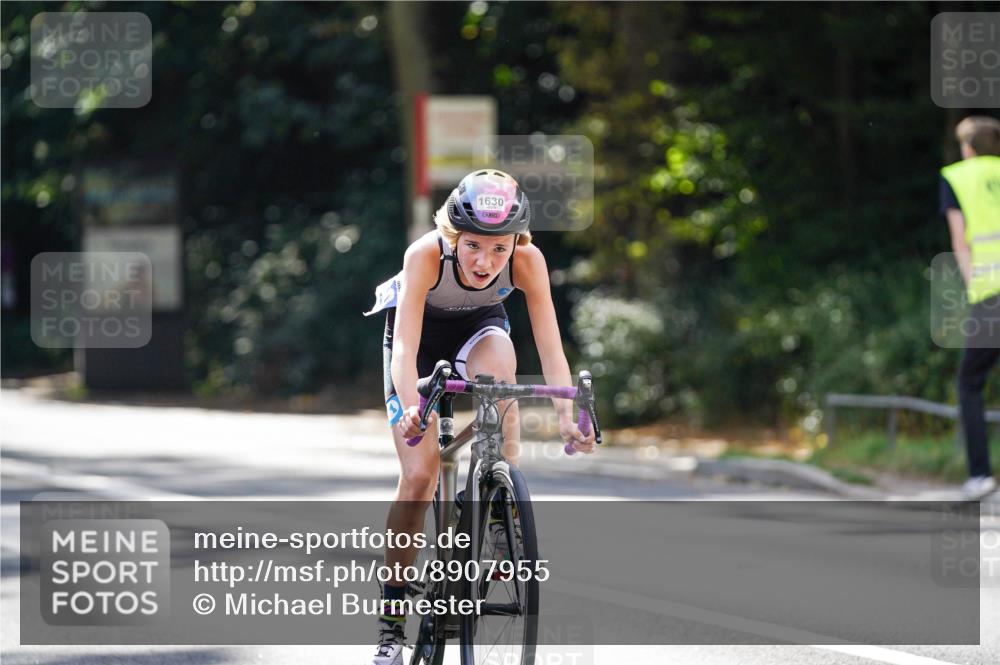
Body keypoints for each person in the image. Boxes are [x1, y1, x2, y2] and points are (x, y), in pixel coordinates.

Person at [364, 169, 597, 664]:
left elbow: (551, 348)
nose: (485, 261)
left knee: (501, 372)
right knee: (421, 474)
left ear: (517, 242)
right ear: (453, 235)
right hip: (418, 345)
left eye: (499, 248)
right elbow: (403, 347)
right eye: (472, 245)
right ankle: (392, 623)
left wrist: (566, 415)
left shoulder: (528, 261)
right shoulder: (425, 254)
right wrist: (411, 409)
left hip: (479, 329)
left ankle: (497, 500)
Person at [941, 115, 1000, 500]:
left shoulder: (957, 177)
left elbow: (960, 241)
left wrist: (972, 287)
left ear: (968, 148)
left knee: (969, 383)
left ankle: (980, 476)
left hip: (991, 294)